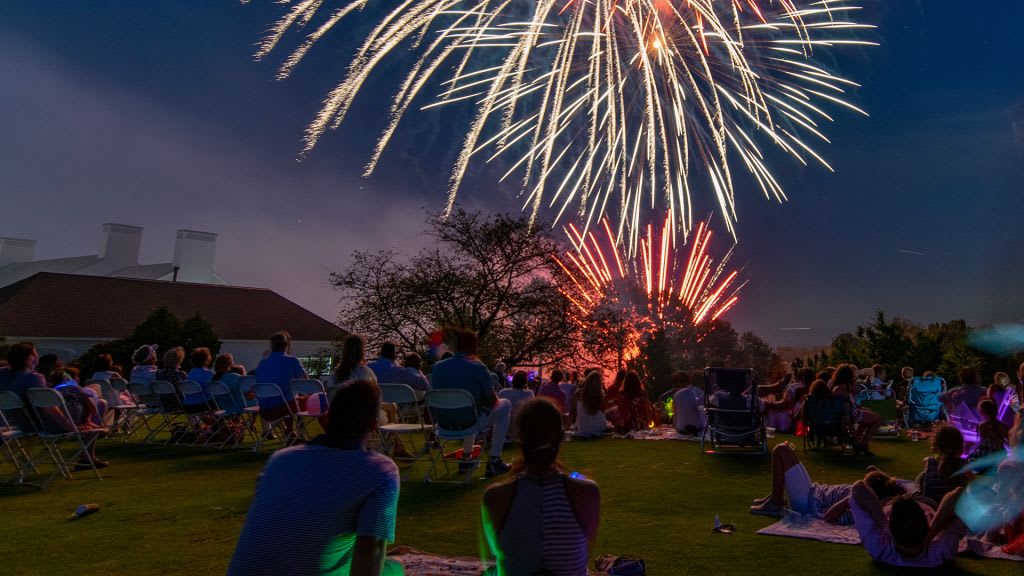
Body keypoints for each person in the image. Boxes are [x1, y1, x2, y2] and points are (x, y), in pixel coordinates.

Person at [227, 380, 403, 576]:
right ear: (373, 426)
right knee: (395, 568)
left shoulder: (280, 460)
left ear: (324, 419)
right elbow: (371, 550)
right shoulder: (380, 472)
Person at [482, 397, 599, 576]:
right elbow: (583, 552)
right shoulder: (587, 493)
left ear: (519, 438)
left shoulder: (495, 497)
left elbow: (502, 555)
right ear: (560, 437)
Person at [749, 442, 905, 522]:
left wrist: (849, 499)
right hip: (812, 491)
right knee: (786, 449)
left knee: (780, 450)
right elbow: (878, 477)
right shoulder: (871, 491)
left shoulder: (859, 505)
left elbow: (829, 517)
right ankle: (775, 497)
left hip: (807, 502)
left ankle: (775, 504)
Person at [430, 329, 511, 475]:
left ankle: (467, 459)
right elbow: (492, 402)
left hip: (442, 424)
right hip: (469, 423)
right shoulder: (478, 368)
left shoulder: (437, 368)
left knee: (470, 408)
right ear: (475, 346)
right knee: (505, 405)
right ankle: (494, 459)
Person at [849, 482, 966, 567]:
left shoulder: (880, 549)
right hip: (925, 502)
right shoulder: (941, 552)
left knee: (882, 482)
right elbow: (960, 494)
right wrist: (929, 536)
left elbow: (859, 487)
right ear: (925, 524)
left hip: (889, 501)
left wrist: (886, 527)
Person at [831, 364, 882, 456]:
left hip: (849, 412)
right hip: (850, 415)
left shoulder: (838, 386)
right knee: (878, 419)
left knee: (870, 413)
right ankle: (863, 444)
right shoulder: (842, 387)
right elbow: (853, 394)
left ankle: (856, 440)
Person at [253, 331, 309, 414]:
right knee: (311, 400)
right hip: (285, 408)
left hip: (265, 411)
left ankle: (291, 427)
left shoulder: (262, 363)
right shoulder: (292, 360)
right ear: (286, 345)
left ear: (271, 346)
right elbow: (306, 383)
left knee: (288, 399)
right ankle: (299, 426)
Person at [916, 424, 971, 504]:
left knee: (923, 476)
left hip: (931, 505)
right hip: (954, 508)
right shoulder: (964, 465)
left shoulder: (928, 461)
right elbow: (974, 484)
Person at [969, 398, 1009, 469]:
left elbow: (981, 443)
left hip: (986, 455)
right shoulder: (1004, 425)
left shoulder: (982, 426)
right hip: (1000, 455)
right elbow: (1007, 442)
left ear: (982, 412)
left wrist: (969, 451)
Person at [498, 371, 534, 441]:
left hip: (503, 428)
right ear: (525, 382)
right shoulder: (529, 393)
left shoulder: (503, 392)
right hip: (520, 429)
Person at [574, 372, 611, 437]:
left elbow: (573, 411)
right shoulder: (601, 394)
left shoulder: (578, 393)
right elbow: (604, 410)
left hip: (583, 429)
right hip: (599, 428)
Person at [670, 370, 705, 435]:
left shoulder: (677, 395)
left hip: (681, 428)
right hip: (698, 427)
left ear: (678, 383)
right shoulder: (699, 391)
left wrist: (675, 425)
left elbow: (675, 414)